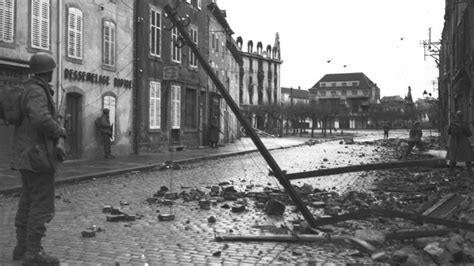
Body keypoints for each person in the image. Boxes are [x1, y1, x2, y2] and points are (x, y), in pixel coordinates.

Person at [11, 52, 66, 264]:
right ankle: (33, 252)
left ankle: (22, 248)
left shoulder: (30, 88)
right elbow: (41, 119)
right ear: (48, 72)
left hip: (28, 155)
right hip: (36, 156)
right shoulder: (36, 91)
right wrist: (59, 130)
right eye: (51, 70)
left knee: (27, 201)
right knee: (40, 205)